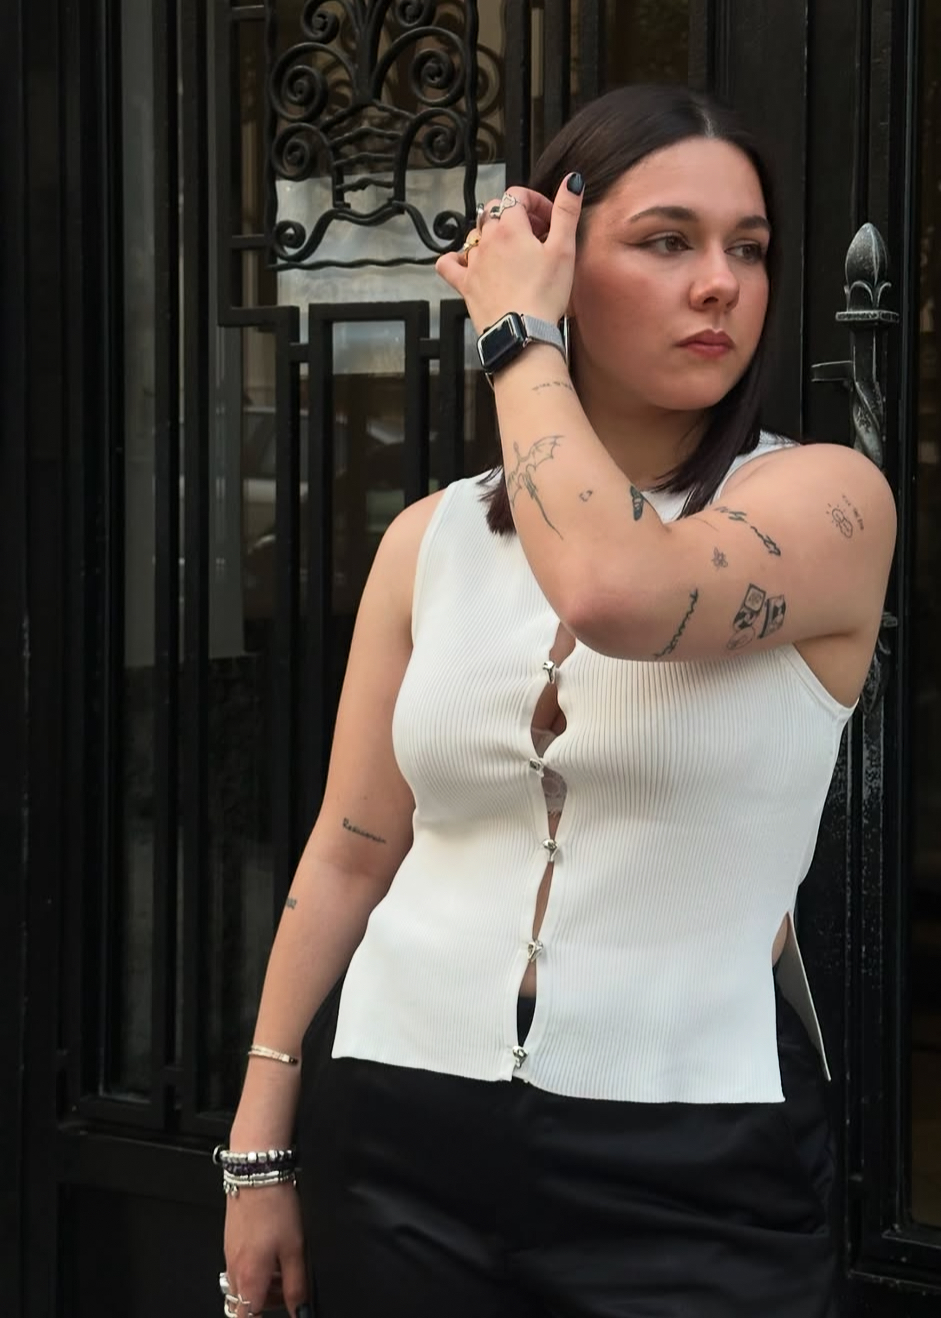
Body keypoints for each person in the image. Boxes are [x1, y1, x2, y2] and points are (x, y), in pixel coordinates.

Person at [219, 83, 896, 1318]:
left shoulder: (826, 501)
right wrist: (259, 1144)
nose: (719, 284)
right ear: (562, 261)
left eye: (747, 248)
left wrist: (515, 338)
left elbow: (612, 590)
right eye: (666, 241)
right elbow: (353, 847)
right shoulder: (428, 540)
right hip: (397, 1118)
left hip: (690, 1151)